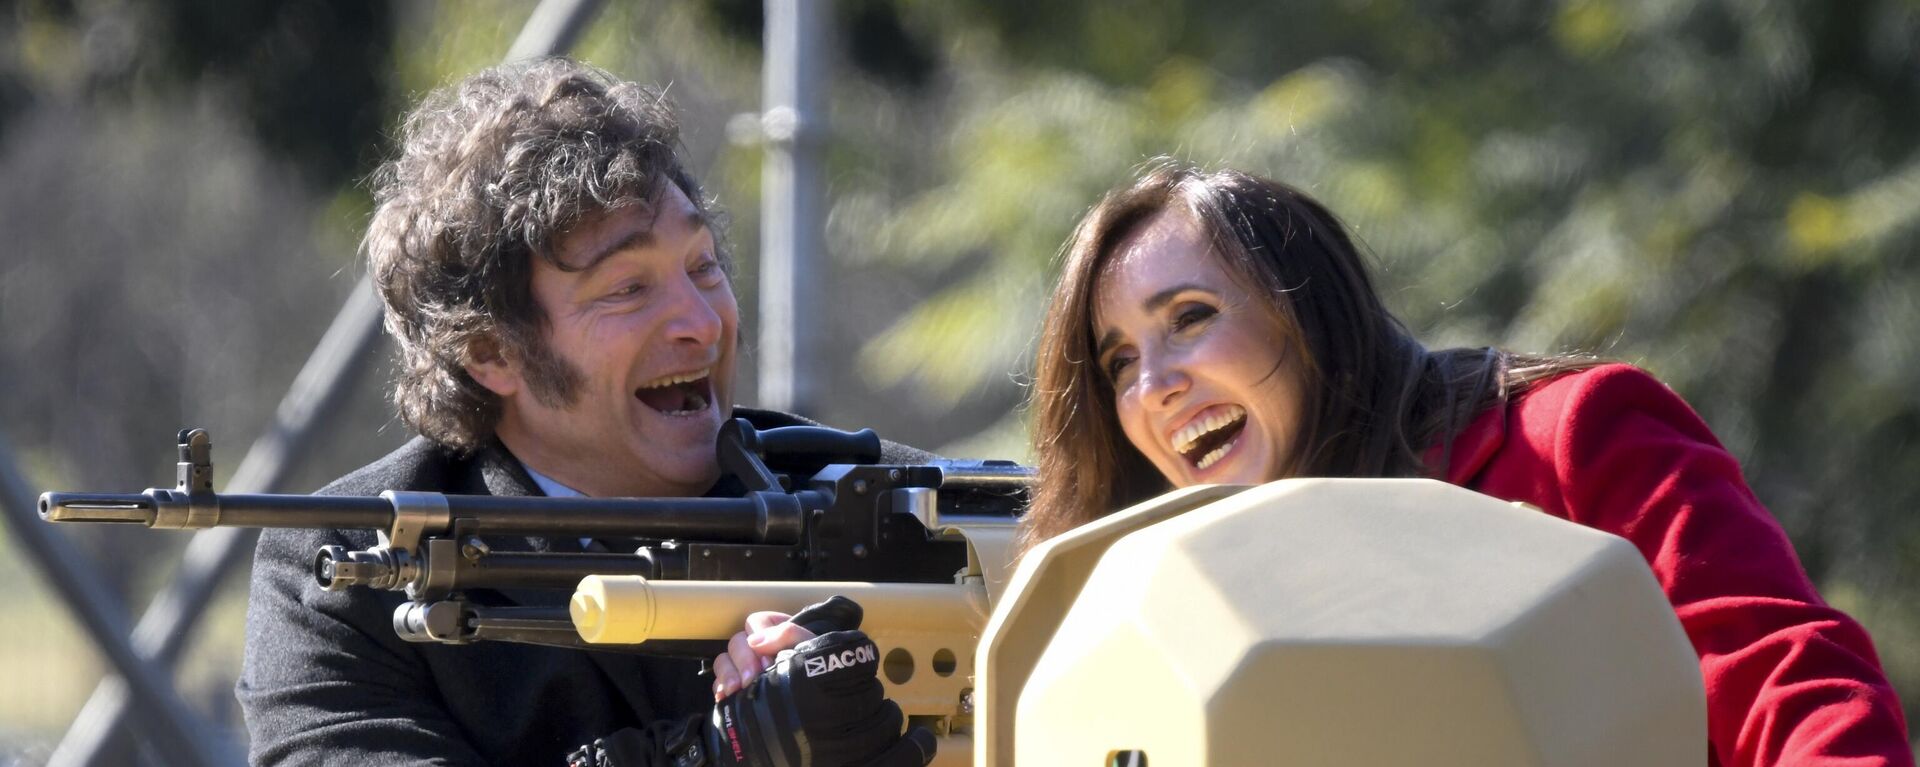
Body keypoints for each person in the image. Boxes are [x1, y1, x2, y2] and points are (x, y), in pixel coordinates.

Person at [1016, 162, 1914, 767]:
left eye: (1189, 316)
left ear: (1308, 311)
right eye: (1119, 362)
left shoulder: (1571, 436)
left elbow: (1787, 676)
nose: (1157, 385)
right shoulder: (1140, 619)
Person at [238, 58, 933, 767]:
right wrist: (714, 754)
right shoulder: (351, 567)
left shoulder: (902, 508)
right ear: (491, 351)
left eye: (704, 266)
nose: (701, 321)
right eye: (627, 287)